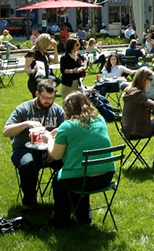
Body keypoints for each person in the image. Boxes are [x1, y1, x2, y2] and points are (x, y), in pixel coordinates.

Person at [42, 92, 114, 228]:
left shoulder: (68, 126)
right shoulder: (99, 120)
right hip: (106, 176)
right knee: (81, 170)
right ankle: (84, 216)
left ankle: (61, 221)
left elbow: (56, 156)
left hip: (82, 180)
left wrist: (49, 139)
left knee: (59, 180)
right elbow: (84, 134)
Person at [3, 79, 64, 210]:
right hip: (24, 149)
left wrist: (53, 152)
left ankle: (64, 202)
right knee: (28, 164)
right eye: (45, 98)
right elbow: (6, 131)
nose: (48, 101)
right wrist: (25, 124)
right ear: (37, 94)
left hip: (49, 149)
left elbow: (65, 134)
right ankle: (29, 201)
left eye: (51, 98)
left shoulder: (58, 111)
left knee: (68, 162)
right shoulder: (23, 109)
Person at [121, 67, 154, 167]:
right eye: (150, 80)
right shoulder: (139, 94)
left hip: (127, 128)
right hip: (136, 130)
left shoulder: (131, 91)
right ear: (143, 79)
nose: (151, 82)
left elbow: (147, 105)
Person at [24, 33, 60, 97]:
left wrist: (55, 49)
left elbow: (55, 61)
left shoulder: (45, 53)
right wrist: (33, 70)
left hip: (45, 81)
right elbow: (25, 68)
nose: (50, 45)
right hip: (35, 82)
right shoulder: (32, 53)